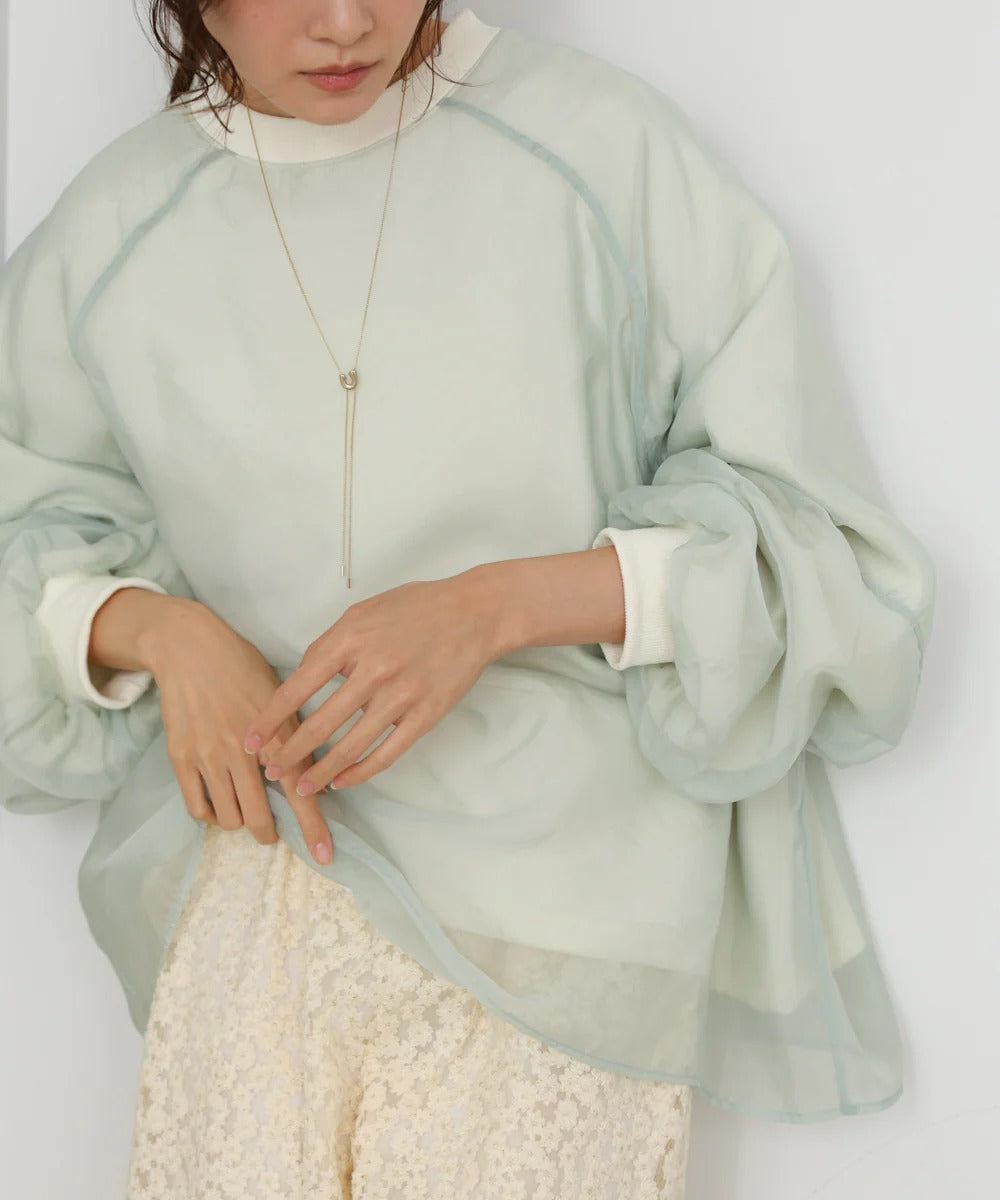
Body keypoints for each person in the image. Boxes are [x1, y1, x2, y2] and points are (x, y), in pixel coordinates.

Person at [0, 2, 936, 1196]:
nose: (347, 23)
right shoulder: (111, 229)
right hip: (255, 882)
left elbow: (829, 568)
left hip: (564, 910)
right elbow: (23, 528)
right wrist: (153, 631)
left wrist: (493, 608)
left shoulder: (601, 151)